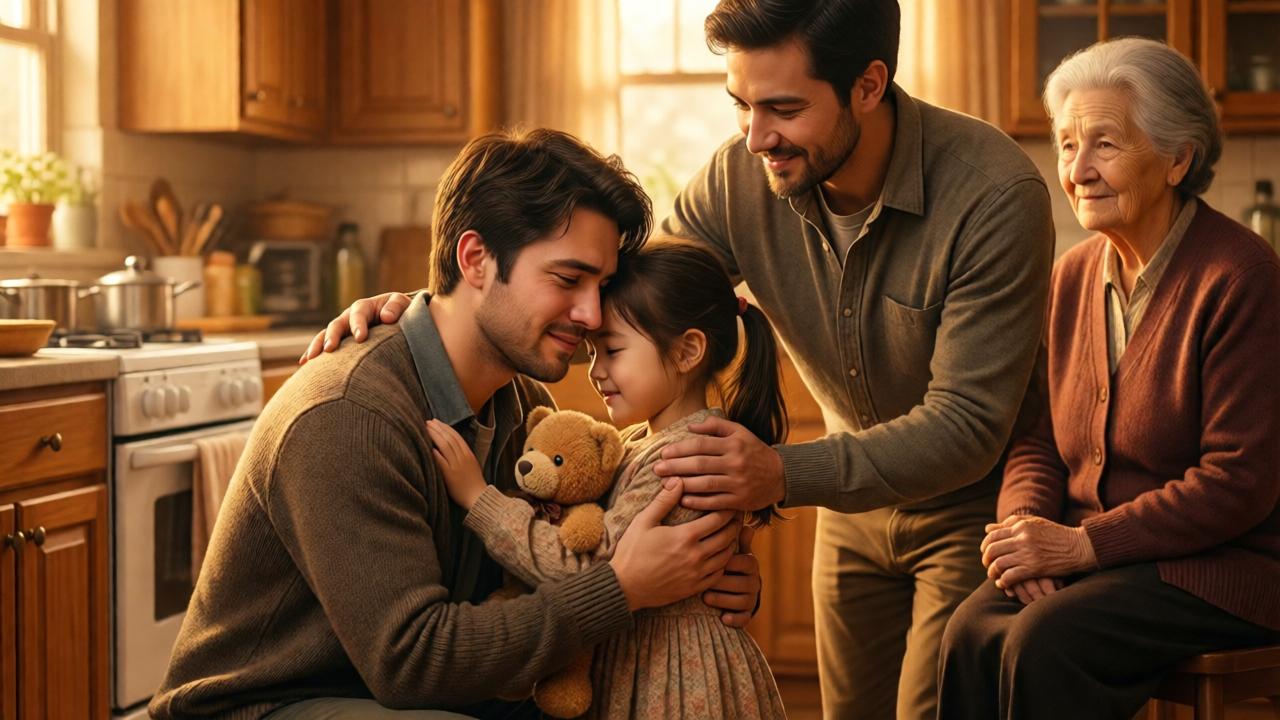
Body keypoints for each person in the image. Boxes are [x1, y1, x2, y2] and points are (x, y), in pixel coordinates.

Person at [305, 2, 1055, 717]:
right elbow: (619, 286)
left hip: (966, 508)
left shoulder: (993, 194)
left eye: (784, 109)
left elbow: (966, 426)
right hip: (848, 514)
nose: (755, 137)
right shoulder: (742, 178)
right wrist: (433, 306)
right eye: (741, 105)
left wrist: (780, 474)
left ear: (868, 84)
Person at [150, 128, 758, 720]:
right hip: (271, 703)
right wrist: (619, 591)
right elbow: (412, 661)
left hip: (418, 692)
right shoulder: (349, 414)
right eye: (569, 280)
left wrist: (705, 578)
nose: (592, 314)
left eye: (601, 286)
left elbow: (570, 549)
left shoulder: (517, 398)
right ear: (475, 259)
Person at [937, 38, 1280, 720]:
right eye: (1067, 145)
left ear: (1178, 159)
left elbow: (1237, 482)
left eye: (1105, 145)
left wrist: (1083, 545)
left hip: (1223, 566)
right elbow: (1036, 438)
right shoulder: (1070, 276)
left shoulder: (1242, 276)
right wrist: (1028, 529)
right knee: (968, 634)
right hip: (1096, 555)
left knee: (1046, 643)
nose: (1078, 170)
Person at [428, 237, 788, 719]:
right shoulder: (655, 442)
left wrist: (480, 501)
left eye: (612, 351)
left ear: (687, 352)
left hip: (672, 682)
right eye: (593, 353)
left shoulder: (681, 461)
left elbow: (588, 576)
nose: (596, 372)